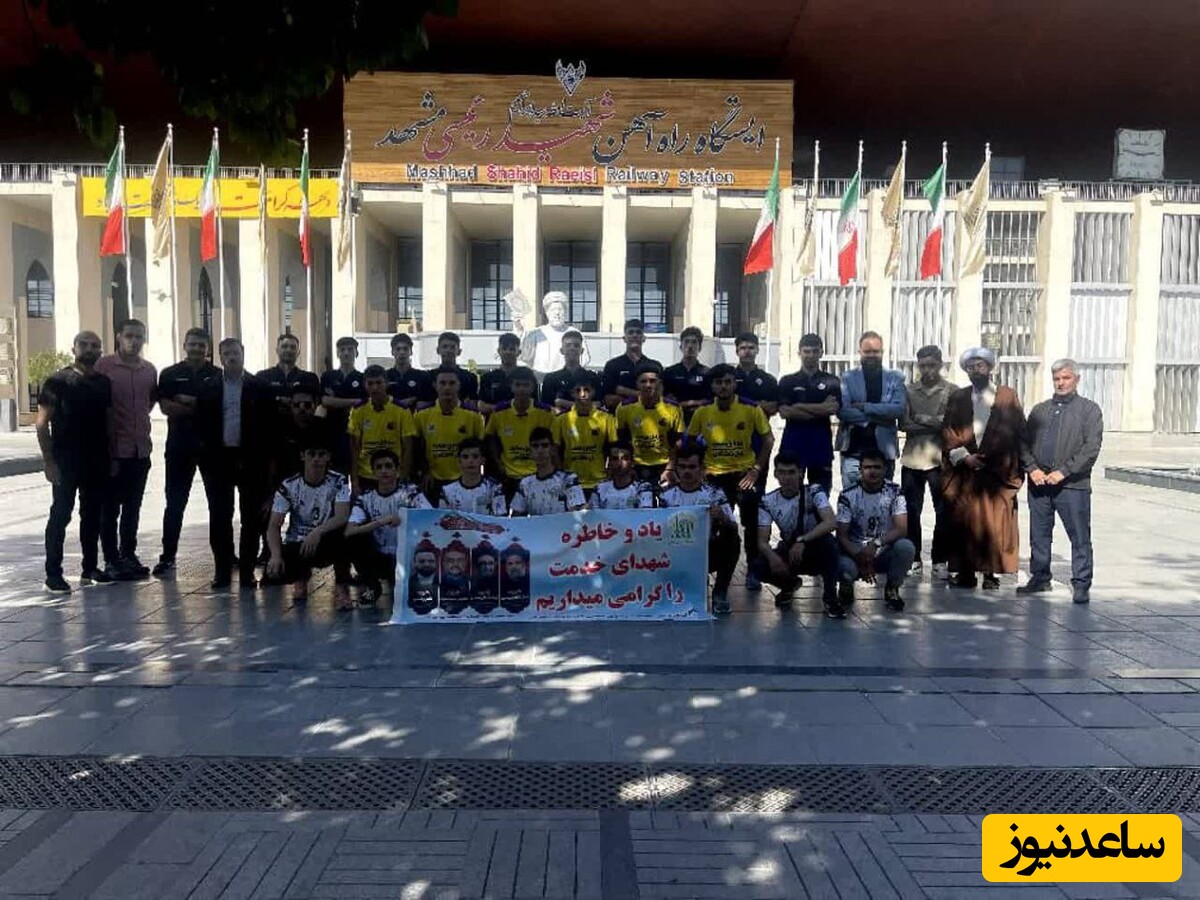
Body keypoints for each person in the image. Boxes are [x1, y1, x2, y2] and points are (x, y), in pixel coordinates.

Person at [1018, 358, 1104, 604]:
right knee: (1039, 534)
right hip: (1040, 484)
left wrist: (1064, 471)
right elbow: (1023, 442)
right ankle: (1040, 577)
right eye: (1057, 378)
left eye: (1066, 378)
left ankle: (1081, 583)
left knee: (1079, 535)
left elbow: (1091, 448)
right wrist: (1032, 468)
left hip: (1072, 486)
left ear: (1077, 379)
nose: (1061, 383)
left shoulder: (1089, 410)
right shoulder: (1040, 410)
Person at [941, 347, 1026, 590]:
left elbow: (1017, 430)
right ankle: (965, 573)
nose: (975, 370)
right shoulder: (958, 397)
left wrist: (994, 458)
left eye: (980, 366)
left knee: (993, 523)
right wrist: (964, 457)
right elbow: (948, 431)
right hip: (966, 473)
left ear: (989, 368)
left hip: (996, 472)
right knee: (965, 522)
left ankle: (990, 574)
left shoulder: (1006, 396)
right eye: (970, 367)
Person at [686, 363, 774, 589]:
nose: (723, 386)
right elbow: (690, 442)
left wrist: (756, 469)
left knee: (751, 524)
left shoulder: (751, 408)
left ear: (735, 384)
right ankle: (704, 569)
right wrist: (700, 469)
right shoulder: (702, 411)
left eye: (728, 382)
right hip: (713, 476)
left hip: (743, 475)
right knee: (710, 525)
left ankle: (753, 570)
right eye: (719, 382)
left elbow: (768, 439)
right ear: (712, 386)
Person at [197, 338, 275, 590]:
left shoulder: (259, 386)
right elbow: (200, 426)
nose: (231, 357)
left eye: (235, 352)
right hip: (218, 461)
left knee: (251, 519)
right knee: (220, 516)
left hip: (251, 460)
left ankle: (247, 573)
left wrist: (266, 462)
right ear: (219, 357)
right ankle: (222, 571)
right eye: (226, 353)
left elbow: (270, 427)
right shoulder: (208, 386)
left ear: (243, 354)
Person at [37, 331, 112, 593]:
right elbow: (41, 424)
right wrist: (49, 461)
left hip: (97, 460)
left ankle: (90, 568)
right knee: (61, 514)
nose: (90, 349)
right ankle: (53, 574)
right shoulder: (57, 381)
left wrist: (111, 456)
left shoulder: (103, 383)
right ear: (74, 349)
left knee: (92, 515)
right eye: (84, 345)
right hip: (66, 461)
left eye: (95, 346)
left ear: (100, 351)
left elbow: (109, 422)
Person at [153, 328, 220, 578]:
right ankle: (167, 556)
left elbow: (219, 408)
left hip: (211, 449)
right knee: (175, 503)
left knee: (218, 504)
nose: (197, 349)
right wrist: (201, 407)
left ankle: (223, 554)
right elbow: (166, 408)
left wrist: (189, 402)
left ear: (208, 348)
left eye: (201, 345)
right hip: (179, 448)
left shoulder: (217, 375)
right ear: (184, 345)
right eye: (192, 344)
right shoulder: (170, 374)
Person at [96, 317, 158, 580]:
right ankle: (111, 559)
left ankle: (128, 554)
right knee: (110, 509)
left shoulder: (149, 370)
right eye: (129, 335)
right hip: (114, 452)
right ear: (119, 337)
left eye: (139, 336)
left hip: (140, 450)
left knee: (133, 507)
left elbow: (149, 403)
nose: (134, 341)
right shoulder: (104, 366)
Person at [265, 441, 352, 608]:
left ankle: (342, 588)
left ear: (328, 457)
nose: (316, 459)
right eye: (312, 454)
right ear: (303, 456)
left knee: (347, 536)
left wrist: (317, 532)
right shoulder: (289, 485)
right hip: (298, 542)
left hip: (325, 540)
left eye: (321, 455)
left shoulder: (338, 481)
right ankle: (301, 579)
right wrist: (275, 555)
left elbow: (342, 516)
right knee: (273, 575)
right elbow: (274, 525)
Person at [753, 454, 842, 617]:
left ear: (800, 473)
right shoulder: (767, 501)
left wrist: (803, 540)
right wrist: (773, 558)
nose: (787, 478)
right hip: (790, 550)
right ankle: (789, 585)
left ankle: (831, 599)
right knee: (758, 565)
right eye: (782, 472)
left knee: (829, 544)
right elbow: (762, 542)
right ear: (775, 474)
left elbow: (831, 522)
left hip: (815, 548)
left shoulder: (814, 491)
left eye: (791, 472)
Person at [658, 442, 740, 614]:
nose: (686, 471)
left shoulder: (714, 493)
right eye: (682, 467)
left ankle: (720, 593)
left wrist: (721, 516)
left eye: (692, 467)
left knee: (732, 535)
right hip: (676, 554)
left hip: (706, 552)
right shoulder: (666, 496)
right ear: (676, 469)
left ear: (702, 468)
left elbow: (732, 524)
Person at [345, 448, 432, 607]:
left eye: (388, 466)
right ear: (373, 472)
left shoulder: (411, 492)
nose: (384, 471)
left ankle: (415, 582)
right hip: (380, 556)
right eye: (379, 467)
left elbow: (431, 517)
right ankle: (373, 586)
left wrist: (406, 518)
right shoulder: (365, 498)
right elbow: (349, 530)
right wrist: (379, 522)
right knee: (353, 540)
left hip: (407, 555)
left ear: (397, 469)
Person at [899, 344, 955, 579]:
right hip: (912, 458)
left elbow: (952, 425)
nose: (927, 370)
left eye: (932, 365)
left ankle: (940, 559)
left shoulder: (952, 391)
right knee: (912, 511)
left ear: (940, 364)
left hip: (940, 459)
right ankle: (914, 558)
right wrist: (936, 422)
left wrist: (923, 419)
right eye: (923, 365)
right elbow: (904, 424)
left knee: (944, 511)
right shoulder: (909, 391)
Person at [835, 450, 915, 612]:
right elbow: (842, 536)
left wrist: (875, 544)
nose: (872, 471)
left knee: (906, 547)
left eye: (877, 467)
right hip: (855, 552)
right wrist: (861, 557)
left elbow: (901, 529)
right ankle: (846, 586)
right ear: (860, 470)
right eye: (867, 467)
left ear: (885, 469)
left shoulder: (895, 492)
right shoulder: (847, 495)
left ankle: (892, 588)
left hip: (883, 550)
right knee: (842, 563)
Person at [836, 331, 906, 489]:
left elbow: (898, 409)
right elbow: (843, 412)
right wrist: (880, 416)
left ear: (883, 352)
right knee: (851, 497)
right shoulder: (847, 378)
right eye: (867, 352)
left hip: (884, 451)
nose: (871, 355)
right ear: (860, 352)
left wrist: (865, 407)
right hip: (853, 450)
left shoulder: (895, 378)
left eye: (876, 351)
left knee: (884, 498)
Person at [777, 333, 841, 495]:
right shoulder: (787, 381)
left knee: (820, 496)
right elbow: (784, 412)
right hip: (793, 445)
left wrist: (798, 406)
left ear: (821, 353)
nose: (810, 355)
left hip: (820, 446)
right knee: (791, 495)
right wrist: (820, 408)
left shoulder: (831, 381)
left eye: (814, 351)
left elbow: (832, 409)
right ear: (799, 353)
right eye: (806, 351)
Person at [413, 368, 486, 500]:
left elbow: (480, 449)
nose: (447, 387)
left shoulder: (473, 416)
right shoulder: (421, 415)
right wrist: (425, 472)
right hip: (432, 479)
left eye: (452, 383)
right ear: (435, 385)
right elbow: (418, 448)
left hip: (463, 480)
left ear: (459, 385)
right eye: (442, 383)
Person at [484, 367, 555, 500]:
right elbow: (490, 437)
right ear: (511, 387)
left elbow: (554, 443)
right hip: (509, 475)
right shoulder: (499, 412)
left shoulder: (546, 412)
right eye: (517, 385)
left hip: (538, 474)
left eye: (526, 385)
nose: (522, 389)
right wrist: (498, 462)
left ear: (533, 387)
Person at [348, 365, 415, 496]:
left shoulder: (401, 410)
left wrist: (404, 477)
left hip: (393, 474)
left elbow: (408, 448)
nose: (374, 387)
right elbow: (354, 448)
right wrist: (354, 482)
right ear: (364, 385)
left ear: (387, 384)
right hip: (366, 475)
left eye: (378, 383)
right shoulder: (358, 410)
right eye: (370, 383)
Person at [616, 364, 682, 488]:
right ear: (637, 384)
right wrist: (628, 468)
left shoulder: (673, 407)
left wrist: (670, 468)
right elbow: (622, 441)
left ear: (659, 383)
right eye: (643, 381)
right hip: (636, 466)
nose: (648, 385)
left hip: (663, 466)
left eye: (652, 381)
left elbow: (676, 442)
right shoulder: (624, 407)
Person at [553, 370, 617, 496]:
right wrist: (562, 476)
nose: (582, 394)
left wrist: (609, 476)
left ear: (594, 392)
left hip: (599, 481)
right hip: (571, 483)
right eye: (578, 390)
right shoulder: (561, 420)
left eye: (587, 390)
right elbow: (554, 451)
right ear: (572, 393)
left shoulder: (606, 418)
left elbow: (613, 451)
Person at [510, 427, 587, 515]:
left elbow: (578, 513)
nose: (540, 451)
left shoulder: (568, 480)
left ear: (552, 449)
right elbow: (516, 518)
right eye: (535, 446)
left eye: (545, 445)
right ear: (530, 452)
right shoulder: (525, 484)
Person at [320, 336, 368, 473]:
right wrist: (353, 401)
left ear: (356, 353)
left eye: (350, 349)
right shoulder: (328, 376)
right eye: (342, 350)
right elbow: (325, 401)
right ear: (337, 353)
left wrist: (336, 401)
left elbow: (364, 404)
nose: (346, 353)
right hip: (332, 432)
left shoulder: (363, 378)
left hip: (357, 433)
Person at [520, 290, 592, 373]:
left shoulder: (574, 334)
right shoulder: (535, 334)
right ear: (547, 312)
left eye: (560, 309)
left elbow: (584, 359)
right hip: (540, 377)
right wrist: (519, 329)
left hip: (567, 377)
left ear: (565, 312)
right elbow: (524, 357)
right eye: (553, 309)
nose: (557, 313)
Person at [602, 318, 663, 411]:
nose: (635, 335)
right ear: (624, 338)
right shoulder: (612, 366)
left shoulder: (655, 366)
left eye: (638, 332)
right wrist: (642, 396)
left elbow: (659, 397)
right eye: (630, 332)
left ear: (643, 338)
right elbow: (609, 400)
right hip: (620, 418)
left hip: (649, 417)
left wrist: (623, 391)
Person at [438, 437, 508, 515]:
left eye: (475, 456)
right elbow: (443, 519)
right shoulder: (447, 491)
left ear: (483, 460)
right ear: (459, 462)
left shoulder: (494, 488)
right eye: (465, 457)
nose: (470, 461)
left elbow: (500, 518)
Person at [257, 333, 314, 417]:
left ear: (298, 352)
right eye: (284, 346)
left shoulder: (309, 378)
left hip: (299, 423)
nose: (288, 350)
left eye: (293, 347)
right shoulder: (262, 377)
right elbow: (258, 402)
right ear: (277, 350)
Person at [663, 326, 711, 426]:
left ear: (700, 348)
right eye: (686, 342)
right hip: (675, 421)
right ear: (681, 346)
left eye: (694, 342)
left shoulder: (708, 373)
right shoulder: (670, 372)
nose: (690, 346)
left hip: (701, 421)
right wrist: (694, 403)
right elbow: (665, 399)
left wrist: (685, 404)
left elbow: (710, 400)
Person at [589, 441, 656, 510]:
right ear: (609, 463)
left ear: (632, 462)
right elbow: (594, 514)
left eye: (625, 459)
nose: (619, 463)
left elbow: (645, 514)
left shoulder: (642, 488)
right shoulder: (600, 488)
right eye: (615, 459)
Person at [540, 329, 588, 412]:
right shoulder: (551, 379)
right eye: (568, 345)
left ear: (582, 350)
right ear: (562, 350)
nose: (572, 348)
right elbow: (546, 407)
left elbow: (597, 405)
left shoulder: (592, 377)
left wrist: (562, 402)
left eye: (576, 345)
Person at [478, 333, 523, 415]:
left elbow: (533, 406)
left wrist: (493, 408)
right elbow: (481, 406)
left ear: (519, 352)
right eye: (504, 348)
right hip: (494, 422)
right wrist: (503, 408)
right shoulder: (488, 378)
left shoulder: (526, 377)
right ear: (499, 351)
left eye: (512, 349)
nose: (508, 352)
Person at [385, 333, 431, 410]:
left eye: (405, 349)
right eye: (398, 349)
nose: (402, 352)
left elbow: (427, 400)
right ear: (392, 352)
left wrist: (414, 399)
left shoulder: (422, 376)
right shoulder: (385, 376)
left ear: (411, 352)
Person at [432, 331, 479, 402]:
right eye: (445, 347)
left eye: (452, 347)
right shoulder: (428, 377)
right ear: (438, 350)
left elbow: (472, 404)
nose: (448, 350)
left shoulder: (470, 378)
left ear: (459, 351)